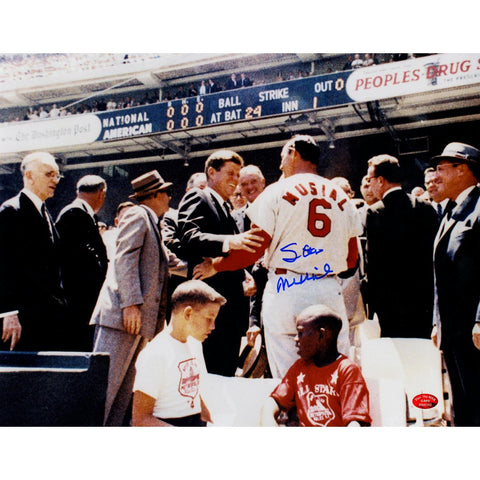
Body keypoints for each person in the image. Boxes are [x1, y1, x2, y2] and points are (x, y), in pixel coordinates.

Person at [194, 135, 361, 378]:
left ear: (293, 152)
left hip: (287, 287)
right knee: (333, 370)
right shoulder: (342, 196)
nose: (281, 163)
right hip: (328, 287)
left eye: (283, 156)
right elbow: (350, 261)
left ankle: (292, 415)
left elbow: (253, 249)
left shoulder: (276, 191)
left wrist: (216, 266)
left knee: (289, 374)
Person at [91, 170, 187, 426]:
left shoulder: (151, 221)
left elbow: (170, 262)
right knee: (105, 392)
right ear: (153, 194)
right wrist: (130, 303)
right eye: (166, 192)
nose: (169, 197)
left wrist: (210, 267)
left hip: (135, 321)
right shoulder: (137, 214)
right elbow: (124, 259)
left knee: (122, 395)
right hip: (122, 318)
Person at [177, 149, 264, 376]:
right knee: (207, 374)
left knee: (223, 374)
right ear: (211, 173)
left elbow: (229, 254)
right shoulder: (199, 196)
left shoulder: (226, 207)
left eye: (238, 175)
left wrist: (243, 273)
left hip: (229, 311)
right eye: (231, 173)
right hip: (207, 310)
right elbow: (189, 237)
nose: (235, 180)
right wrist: (230, 241)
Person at [429, 142, 480, 426]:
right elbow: (442, 274)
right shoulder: (451, 210)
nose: (435, 176)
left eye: (441, 169)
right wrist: (438, 321)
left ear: (463, 171)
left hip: (473, 330)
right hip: (455, 329)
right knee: (462, 401)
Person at [132, 280, 226, 427]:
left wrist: (207, 416)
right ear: (188, 313)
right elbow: (141, 419)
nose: (213, 326)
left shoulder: (194, 344)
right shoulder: (156, 354)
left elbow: (191, 392)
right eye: (209, 319)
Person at [0, 151, 68, 351]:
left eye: (57, 175)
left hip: (47, 318)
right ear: (29, 176)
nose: (55, 180)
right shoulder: (11, 211)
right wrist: (8, 313)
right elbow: (3, 265)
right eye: (49, 174)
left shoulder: (45, 212)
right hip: (21, 322)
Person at [260, 304, 371, 427]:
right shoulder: (299, 368)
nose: (296, 339)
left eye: (300, 333)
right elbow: (273, 401)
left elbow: (355, 422)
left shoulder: (347, 370)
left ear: (321, 335)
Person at [365, 154, 438, 339]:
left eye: (370, 179)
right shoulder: (425, 207)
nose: (369, 184)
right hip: (424, 302)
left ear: (381, 180)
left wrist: (374, 303)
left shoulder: (376, 212)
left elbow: (374, 265)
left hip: (391, 306)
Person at [55, 175, 109, 351]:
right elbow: (81, 260)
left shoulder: (81, 213)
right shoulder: (74, 212)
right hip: (79, 301)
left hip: (81, 300)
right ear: (101, 193)